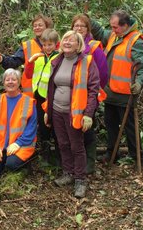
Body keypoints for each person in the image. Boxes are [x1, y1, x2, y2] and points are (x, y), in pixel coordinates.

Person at [43, 31, 100, 198]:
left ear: (78, 45)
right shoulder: (57, 61)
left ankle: (80, 180)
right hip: (57, 110)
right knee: (63, 144)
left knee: (77, 146)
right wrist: (48, 110)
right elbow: (50, 89)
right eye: (65, 38)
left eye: (71, 40)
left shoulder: (87, 62)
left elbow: (93, 89)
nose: (67, 42)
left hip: (75, 113)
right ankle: (67, 173)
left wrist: (88, 114)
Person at [101, 10, 143, 166]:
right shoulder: (114, 35)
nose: (113, 30)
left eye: (115, 27)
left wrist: (139, 83)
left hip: (126, 94)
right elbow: (98, 31)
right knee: (110, 126)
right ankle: (112, 154)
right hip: (110, 93)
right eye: (112, 27)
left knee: (130, 128)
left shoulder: (136, 41)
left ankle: (138, 158)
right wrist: (85, 19)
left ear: (125, 26)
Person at [71, 14, 109, 174]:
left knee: (87, 130)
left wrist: (93, 96)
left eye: (82, 26)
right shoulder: (68, 45)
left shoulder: (94, 48)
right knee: (73, 130)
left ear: (88, 29)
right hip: (71, 98)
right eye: (76, 26)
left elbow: (103, 75)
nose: (79, 29)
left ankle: (89, 164)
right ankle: (76, 163)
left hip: (89, 97)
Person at [0, 68, 37, 178]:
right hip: (0, 145)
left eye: (14, 79)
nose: (11, 82)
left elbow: (31, 129)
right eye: (7, 80)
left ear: (19, 82)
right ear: (3, 83)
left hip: (21, 145)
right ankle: (2, 158)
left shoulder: (28, 102)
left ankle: (20, 161)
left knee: (11, 164)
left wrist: (18, 143)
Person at [0, 14, 54, 96]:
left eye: (40, 25)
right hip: (31, 93)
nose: (37, 27)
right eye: (35, 26)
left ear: (47, 27)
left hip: (51, 93)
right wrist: (1, 59)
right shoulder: (28, 46)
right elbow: (15, 61)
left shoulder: (56, 45)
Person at [23, 28, 59, 165]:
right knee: (42, 126)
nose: (47, 47)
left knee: (54, 126)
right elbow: (28, 74)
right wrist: (30, 62)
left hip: (52, 98)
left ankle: (58, 157)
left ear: (56, 44)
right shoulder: (38, 57)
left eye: (50, 44)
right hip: (38, 96)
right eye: (44, 45)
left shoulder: (59, 58)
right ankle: (45, 155)